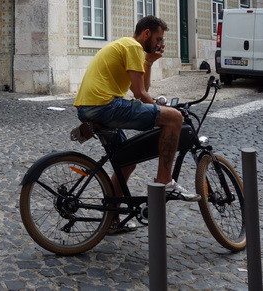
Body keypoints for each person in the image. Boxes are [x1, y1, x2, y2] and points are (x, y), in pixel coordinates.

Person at [74, 15, 200, 224]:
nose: (160, 44)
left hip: (90, 107)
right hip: (105, 106)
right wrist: (165, 111)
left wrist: (149, 62)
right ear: (146, 34)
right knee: (174, 118)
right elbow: (140, 95)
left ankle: (111, 219)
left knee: (126, 163)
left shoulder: (128, 47)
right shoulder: (132, 46)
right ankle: (165, 180)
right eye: (159, 39)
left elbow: (142, 89)